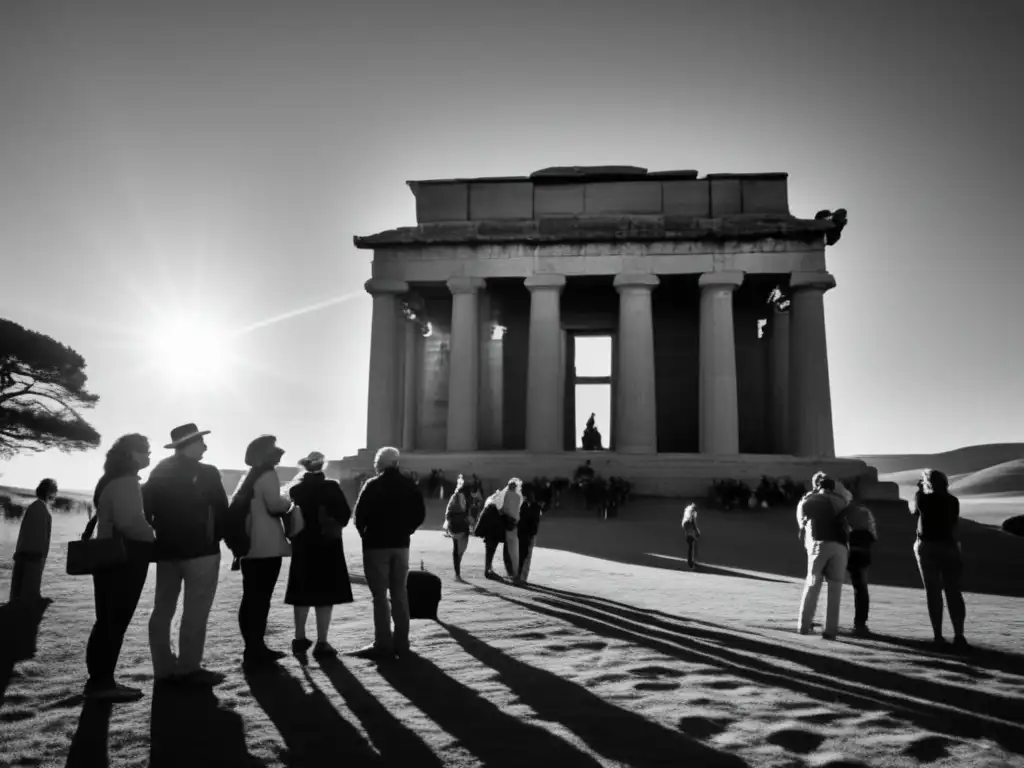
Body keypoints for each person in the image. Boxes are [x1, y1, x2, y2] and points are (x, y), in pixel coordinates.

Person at [144, 423, 229, 686]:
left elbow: (145, 507)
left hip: (167, 550)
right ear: (191, 443)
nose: (205, 446)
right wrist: (221, 538)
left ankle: (163, 668)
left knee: (162, 609)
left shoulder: (160, 470)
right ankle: (188, 668)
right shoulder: (208, 472)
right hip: (201, 551)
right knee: (195, 611)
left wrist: (159, 533)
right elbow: (222, 510)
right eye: (201, 442)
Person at [84, 434, 156, 702]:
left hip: (108, 559)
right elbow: (131, 523)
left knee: (106, 621)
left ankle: (99, 679)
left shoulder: (110, 480)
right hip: (125, 560)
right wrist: (154, 536)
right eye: (145, 451)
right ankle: (103, 682)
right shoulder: (126, 482)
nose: (148, 456)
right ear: (131, 454)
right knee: (115, 621)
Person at [351, 446, 426, 659]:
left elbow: (359, 515)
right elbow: (420, 514)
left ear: (380, 464)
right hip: (401, 545)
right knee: (399, 593)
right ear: (396, 463)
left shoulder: (372, 485)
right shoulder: (409, 485)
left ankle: (383, 643)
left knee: (380, 597)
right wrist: (407, 530)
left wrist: (365, 534)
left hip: (376, 545)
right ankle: (401, 643)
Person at [285, 451, 354, 658]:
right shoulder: (331, 487)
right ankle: (322, 642)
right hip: (327, 545)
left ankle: (299, 637)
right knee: (325, 596)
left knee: (302, 593)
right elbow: (344, 515)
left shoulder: (296, 489)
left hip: (303, 545)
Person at [233, 435, 292, 668]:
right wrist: (289, 501)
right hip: (266, 545)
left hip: (250, 545)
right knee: (260, 599)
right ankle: (256, 647)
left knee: (251, 598)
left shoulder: (250, 477)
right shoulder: (267, 475)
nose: (280, 453)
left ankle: (253, 646)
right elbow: (275, 505)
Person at [912, 469, 969, 650]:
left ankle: (938, 635)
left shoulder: (924, 499)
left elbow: (917, 508)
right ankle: (959, 634)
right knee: (954, 592)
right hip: (950, 546)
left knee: (933, 592)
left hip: (928, 547)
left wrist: (921, 486)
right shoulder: (953, 501)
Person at [796, 472, 849, 640]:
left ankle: (804, 626)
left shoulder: (811, 500)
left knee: (812, 584)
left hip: (819, 544)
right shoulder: (841, 501)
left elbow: (802, 521)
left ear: (818, 486)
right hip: (840, 546)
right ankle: (830, 630)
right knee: (835, 588)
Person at [9, 478, 57, 604]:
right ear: (49, 492)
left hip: (24, 551)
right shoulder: (42, 509)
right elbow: (43, 536)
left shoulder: (34, 507)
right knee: (28, 591)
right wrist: (42, 554)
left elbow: (24, 532)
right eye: (54, 491)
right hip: (34, 554)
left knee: (18, 591)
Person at [842, 498, 878, 636]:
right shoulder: (865, 512)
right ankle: (860, 623)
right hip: (862, 551)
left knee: (832, 585)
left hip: (843, 548)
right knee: (861, 588)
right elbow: (873, 535)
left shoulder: (841, 511)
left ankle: (828, 620)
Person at [443, 474, 474, 581]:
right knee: (460, 550)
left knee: (456, 550)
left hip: (453, 527)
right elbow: (469, 514)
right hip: (462, 527)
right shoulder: (466, 498)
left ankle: (457, 572)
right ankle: (457, 571)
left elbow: (447, 513)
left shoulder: (454, 497)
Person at [475, 488, 508, 580]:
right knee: (490, 551)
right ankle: (488, 570)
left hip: (489, 532)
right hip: (494, 533)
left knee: (489, 551)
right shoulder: (497, 507)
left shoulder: (490, 504)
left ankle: (488, 569)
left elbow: (482, 519)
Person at [516, 483, 543, 584]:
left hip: (523, 533)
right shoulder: (533, 506)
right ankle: (521, 577)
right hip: (527, 534)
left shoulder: (522, 505)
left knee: (522, 555)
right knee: (526, 556)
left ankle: (519, 576)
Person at [501, 478, 523, 583]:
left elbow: (504, 509)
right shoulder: (518, 497)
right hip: (515, 524)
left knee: (508, 550)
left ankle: (511, 572)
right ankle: (515, 572)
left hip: (507, 524)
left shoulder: (506, 495)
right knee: (514, 551)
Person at [681, 503, 702, 570]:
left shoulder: (687, 508)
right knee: (692, 545)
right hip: (688, 525)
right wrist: (697, 530)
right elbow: (693, 521)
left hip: (685, 525)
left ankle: (693, 562)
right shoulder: (693, 511)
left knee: (692, 543)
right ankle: (692, 564)